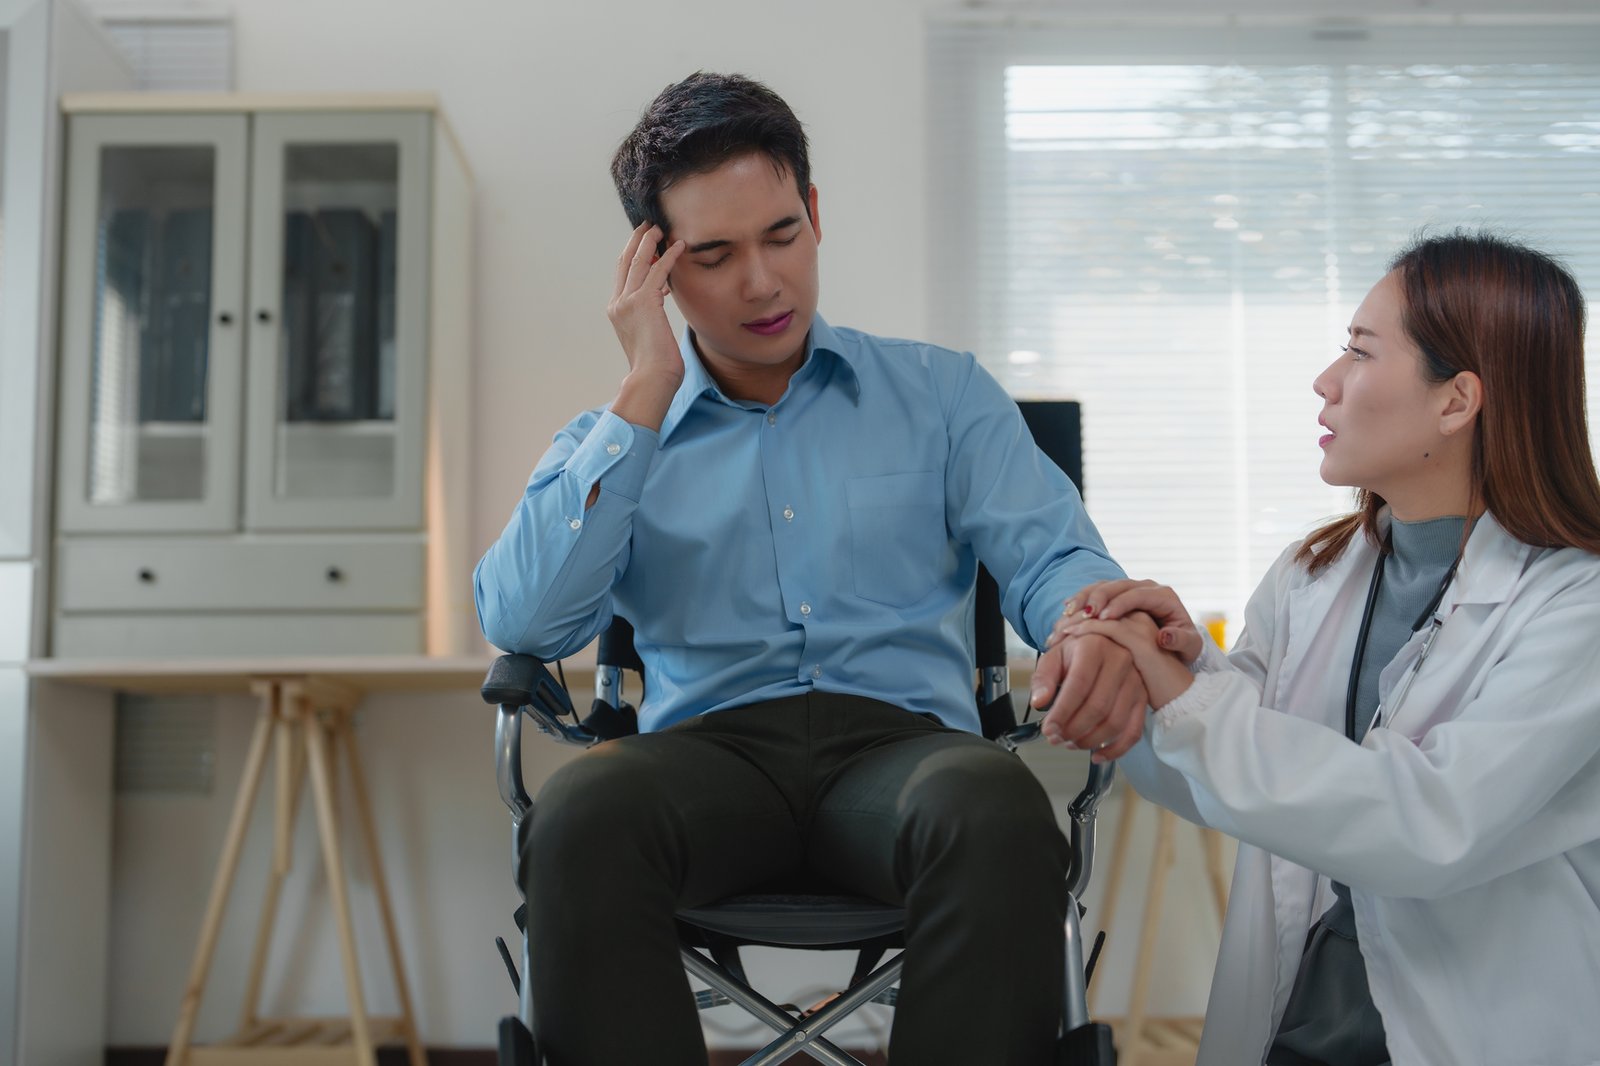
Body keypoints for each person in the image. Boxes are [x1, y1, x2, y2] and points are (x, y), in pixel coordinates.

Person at [475, 72, 1143, 1065]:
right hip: (706, 761)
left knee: (993, 805)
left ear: (815, 215)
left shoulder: (942, 394)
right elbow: (526, 624)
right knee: (579, 811)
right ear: (653, 269)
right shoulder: (613, 440)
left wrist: (1090, 628)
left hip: (907, 757)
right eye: (712, 254)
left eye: (780, 235)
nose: (760, 281)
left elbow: (1056, 559)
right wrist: (646, 393)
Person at [1041, 231, 1600, 1066]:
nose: (1326, 381)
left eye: (1360, 352)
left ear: (1456, 402)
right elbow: (1225, 777)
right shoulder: (1318, 572)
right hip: (1298, 1029)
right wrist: (1148, 664)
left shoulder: (1576, 605)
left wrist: (1183, 694)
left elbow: (1430, 825)